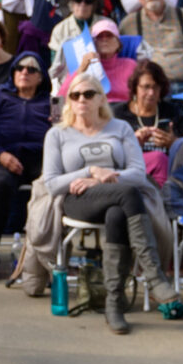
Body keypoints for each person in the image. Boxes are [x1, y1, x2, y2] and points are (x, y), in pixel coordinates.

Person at [38, 67, 164, 333]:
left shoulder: (120, 128)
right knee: (127, 194)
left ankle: (114, 304)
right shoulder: (57, 134)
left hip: (116, 200)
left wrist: (103, 179)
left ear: (100, 98)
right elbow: (51, 183)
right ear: (69, 100)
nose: (81, 99)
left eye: (88, 93)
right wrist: (90, 171)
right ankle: (153, 276)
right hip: (78, 200)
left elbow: (139, 174)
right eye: (75, 95)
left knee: (118, 213)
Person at [0, 51, 51, 271]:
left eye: (32, 69)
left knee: (55, 182)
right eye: (19, 68)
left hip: (37, 157)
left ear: (41, 77)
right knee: (1, 182)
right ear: (12, 73)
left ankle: (47, 255)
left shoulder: (50, 103)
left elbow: (62, 131)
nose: (25, 72)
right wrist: (0, 155)